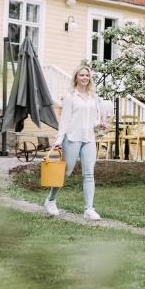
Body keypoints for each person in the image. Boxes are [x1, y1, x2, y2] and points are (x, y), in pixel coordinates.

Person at [44, 65, 106, 220]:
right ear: (76, 78)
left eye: (87, 75)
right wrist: (58, 141)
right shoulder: (70, 97)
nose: (85, 78)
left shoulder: (94, 98)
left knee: (89, 174)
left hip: (89, 139)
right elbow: (64, 121)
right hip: (72, 138)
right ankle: (50, 200)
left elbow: (94, 119)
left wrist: (99, 124)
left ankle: (89, 209)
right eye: (81, 75)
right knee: (66, 172)